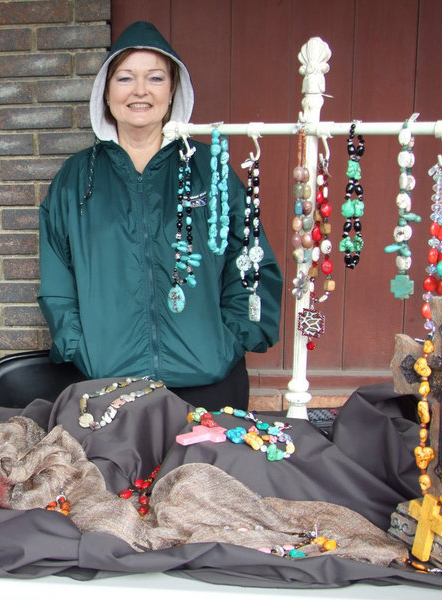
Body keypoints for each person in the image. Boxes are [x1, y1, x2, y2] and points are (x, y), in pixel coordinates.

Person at [37, 21, 283, 411]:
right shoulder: (75, 179)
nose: (140, 91)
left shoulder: (210, 170)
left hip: (209, 383)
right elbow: (56, 280)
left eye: (154, 77)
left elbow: (251, 264)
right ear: (105, 92)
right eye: (125, 78)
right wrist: (79, 347)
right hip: (109, 387)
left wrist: (230, 339)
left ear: (172, 91)